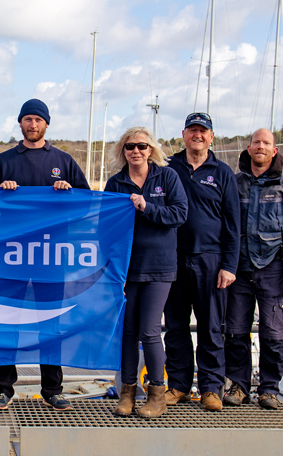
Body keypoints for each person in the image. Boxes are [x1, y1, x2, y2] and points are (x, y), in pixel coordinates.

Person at [0, 98, 89, 411]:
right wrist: (1, 192)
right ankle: (3, 388)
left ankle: (52, 389)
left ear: (46, 124)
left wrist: (70, 192)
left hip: (51, 255)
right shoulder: (3, 161)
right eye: (27, 119)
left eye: (38, 120)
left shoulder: (63, 160)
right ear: (20, 123)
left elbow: (86, 204)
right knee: (7, 321)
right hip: (12, 254)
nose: (33, 125)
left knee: (50, 322)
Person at [105, 127, 187, 419]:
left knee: (150, 331)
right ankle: (127, 393)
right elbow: (105, 226)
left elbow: (180, 213)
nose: (136, 151)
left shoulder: (167, 177)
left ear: (151, 149)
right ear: (123, 150)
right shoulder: (116, 183)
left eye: (142, 146)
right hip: (127, 269)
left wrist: (147, 207)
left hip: (159, 267)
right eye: (130, 146)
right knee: (127, 333)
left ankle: (157, 395)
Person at [223, 128, 283, 410]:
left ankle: (269, 389)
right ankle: (238, 385)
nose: (261, 146)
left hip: (274, 269)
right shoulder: (234, 184)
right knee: (235, 331)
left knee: (273, 334)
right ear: (249, 149)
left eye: (266, 143)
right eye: (256, 142)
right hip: (239, 270)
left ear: (274, 150)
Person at [164, 112, 241, 412]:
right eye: (192, 130)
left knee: (211, 327)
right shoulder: (167, 168)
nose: (197, 135)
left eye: (203, 131)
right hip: (172, 258)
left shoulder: (222, 173)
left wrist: (230, 266)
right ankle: (179, 386)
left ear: (211, 136)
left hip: (211, 261)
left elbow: (233, 225)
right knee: (176, 327)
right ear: (183, 135)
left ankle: (211, 388)